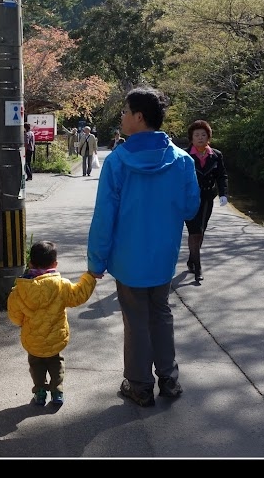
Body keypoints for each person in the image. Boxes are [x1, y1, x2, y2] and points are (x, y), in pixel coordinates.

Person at [86, 86, 200, 407]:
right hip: (163, 258)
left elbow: (104, 217)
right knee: (161, 313)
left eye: (124, 112)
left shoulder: (118, 161)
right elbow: (191, 208)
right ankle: (169, 379)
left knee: (136, 319)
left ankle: (138, 385)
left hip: (128, 260)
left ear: (138, 117)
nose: (121, 117)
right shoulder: (182, 160)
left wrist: (97, 261)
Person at [7, 240, 97, 407]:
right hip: (56, 338)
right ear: (55, 264)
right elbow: (79, 295)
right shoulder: (61, 285)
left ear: (30, 262)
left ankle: (40, 392)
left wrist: (23, 323)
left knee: (36, 366)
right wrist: (90, 277)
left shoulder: (20, 290)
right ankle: (57, 392)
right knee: (56, 364)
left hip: (33, 339)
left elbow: (14, 315)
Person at [184, 119, 228, 283]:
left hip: (207, 198)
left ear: (208, 137)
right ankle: (198, 267)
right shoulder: (184, 155)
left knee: (200, 231)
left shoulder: (216, 155)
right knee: (194, 231)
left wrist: (223, 193)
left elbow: (222, 175)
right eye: (197, 135)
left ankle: (191, 260)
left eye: (203, 134)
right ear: (191, 138)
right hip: (189, 199)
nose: (200, 138)